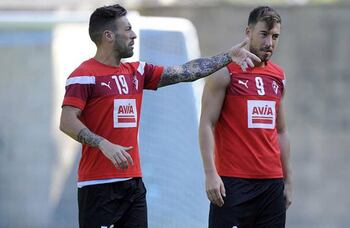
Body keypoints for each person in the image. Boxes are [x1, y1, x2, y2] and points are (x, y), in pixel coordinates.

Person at [59, 4, 260, 228]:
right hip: (98, 185)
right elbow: (67, 121)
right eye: (127, 29)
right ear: (108, 36)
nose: (133, 34)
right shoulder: (83, 76)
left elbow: (185, 72)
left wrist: (228, 57)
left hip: (133, 185)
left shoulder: (137, 72)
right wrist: (103, 144)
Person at [199, 6, 293, 228]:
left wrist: (288, 181)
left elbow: (281, 131)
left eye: (275, 36)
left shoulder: (278, 77)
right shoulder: (225, 72)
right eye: (263, 34)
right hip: (233, 184)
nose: (269, 43)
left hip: (271, 185)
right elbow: (206, 124)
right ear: (248, 32)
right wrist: (210, 174)